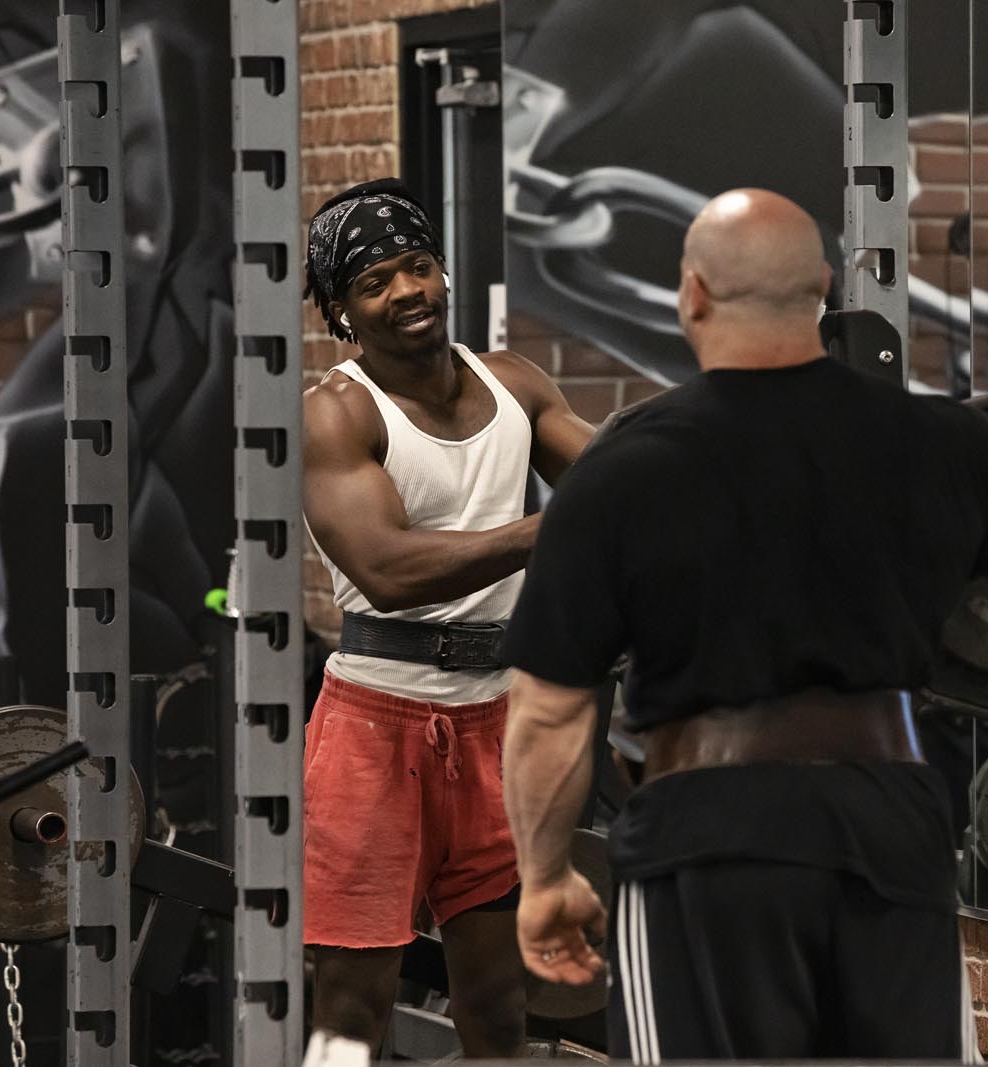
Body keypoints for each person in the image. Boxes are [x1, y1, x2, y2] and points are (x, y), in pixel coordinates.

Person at [498, 187, 988, 1061]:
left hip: (707, 839)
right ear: (824, 287)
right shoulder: (943, 440)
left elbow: (549, 712)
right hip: (889, 820)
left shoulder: (624, 469)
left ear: (692, 295)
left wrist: (544, 879)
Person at [299, 177, 593, 1055]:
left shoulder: (515, 384)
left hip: (498, 722)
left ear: (443, 270)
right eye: (375, 281)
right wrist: (557, 527)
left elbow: (616, 479)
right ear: (342, 312)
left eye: (418, 266)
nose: (407, 291)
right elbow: (388, 570)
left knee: (500, 1006)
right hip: (374, 728)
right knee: (352, 1008)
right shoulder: (336, 413)